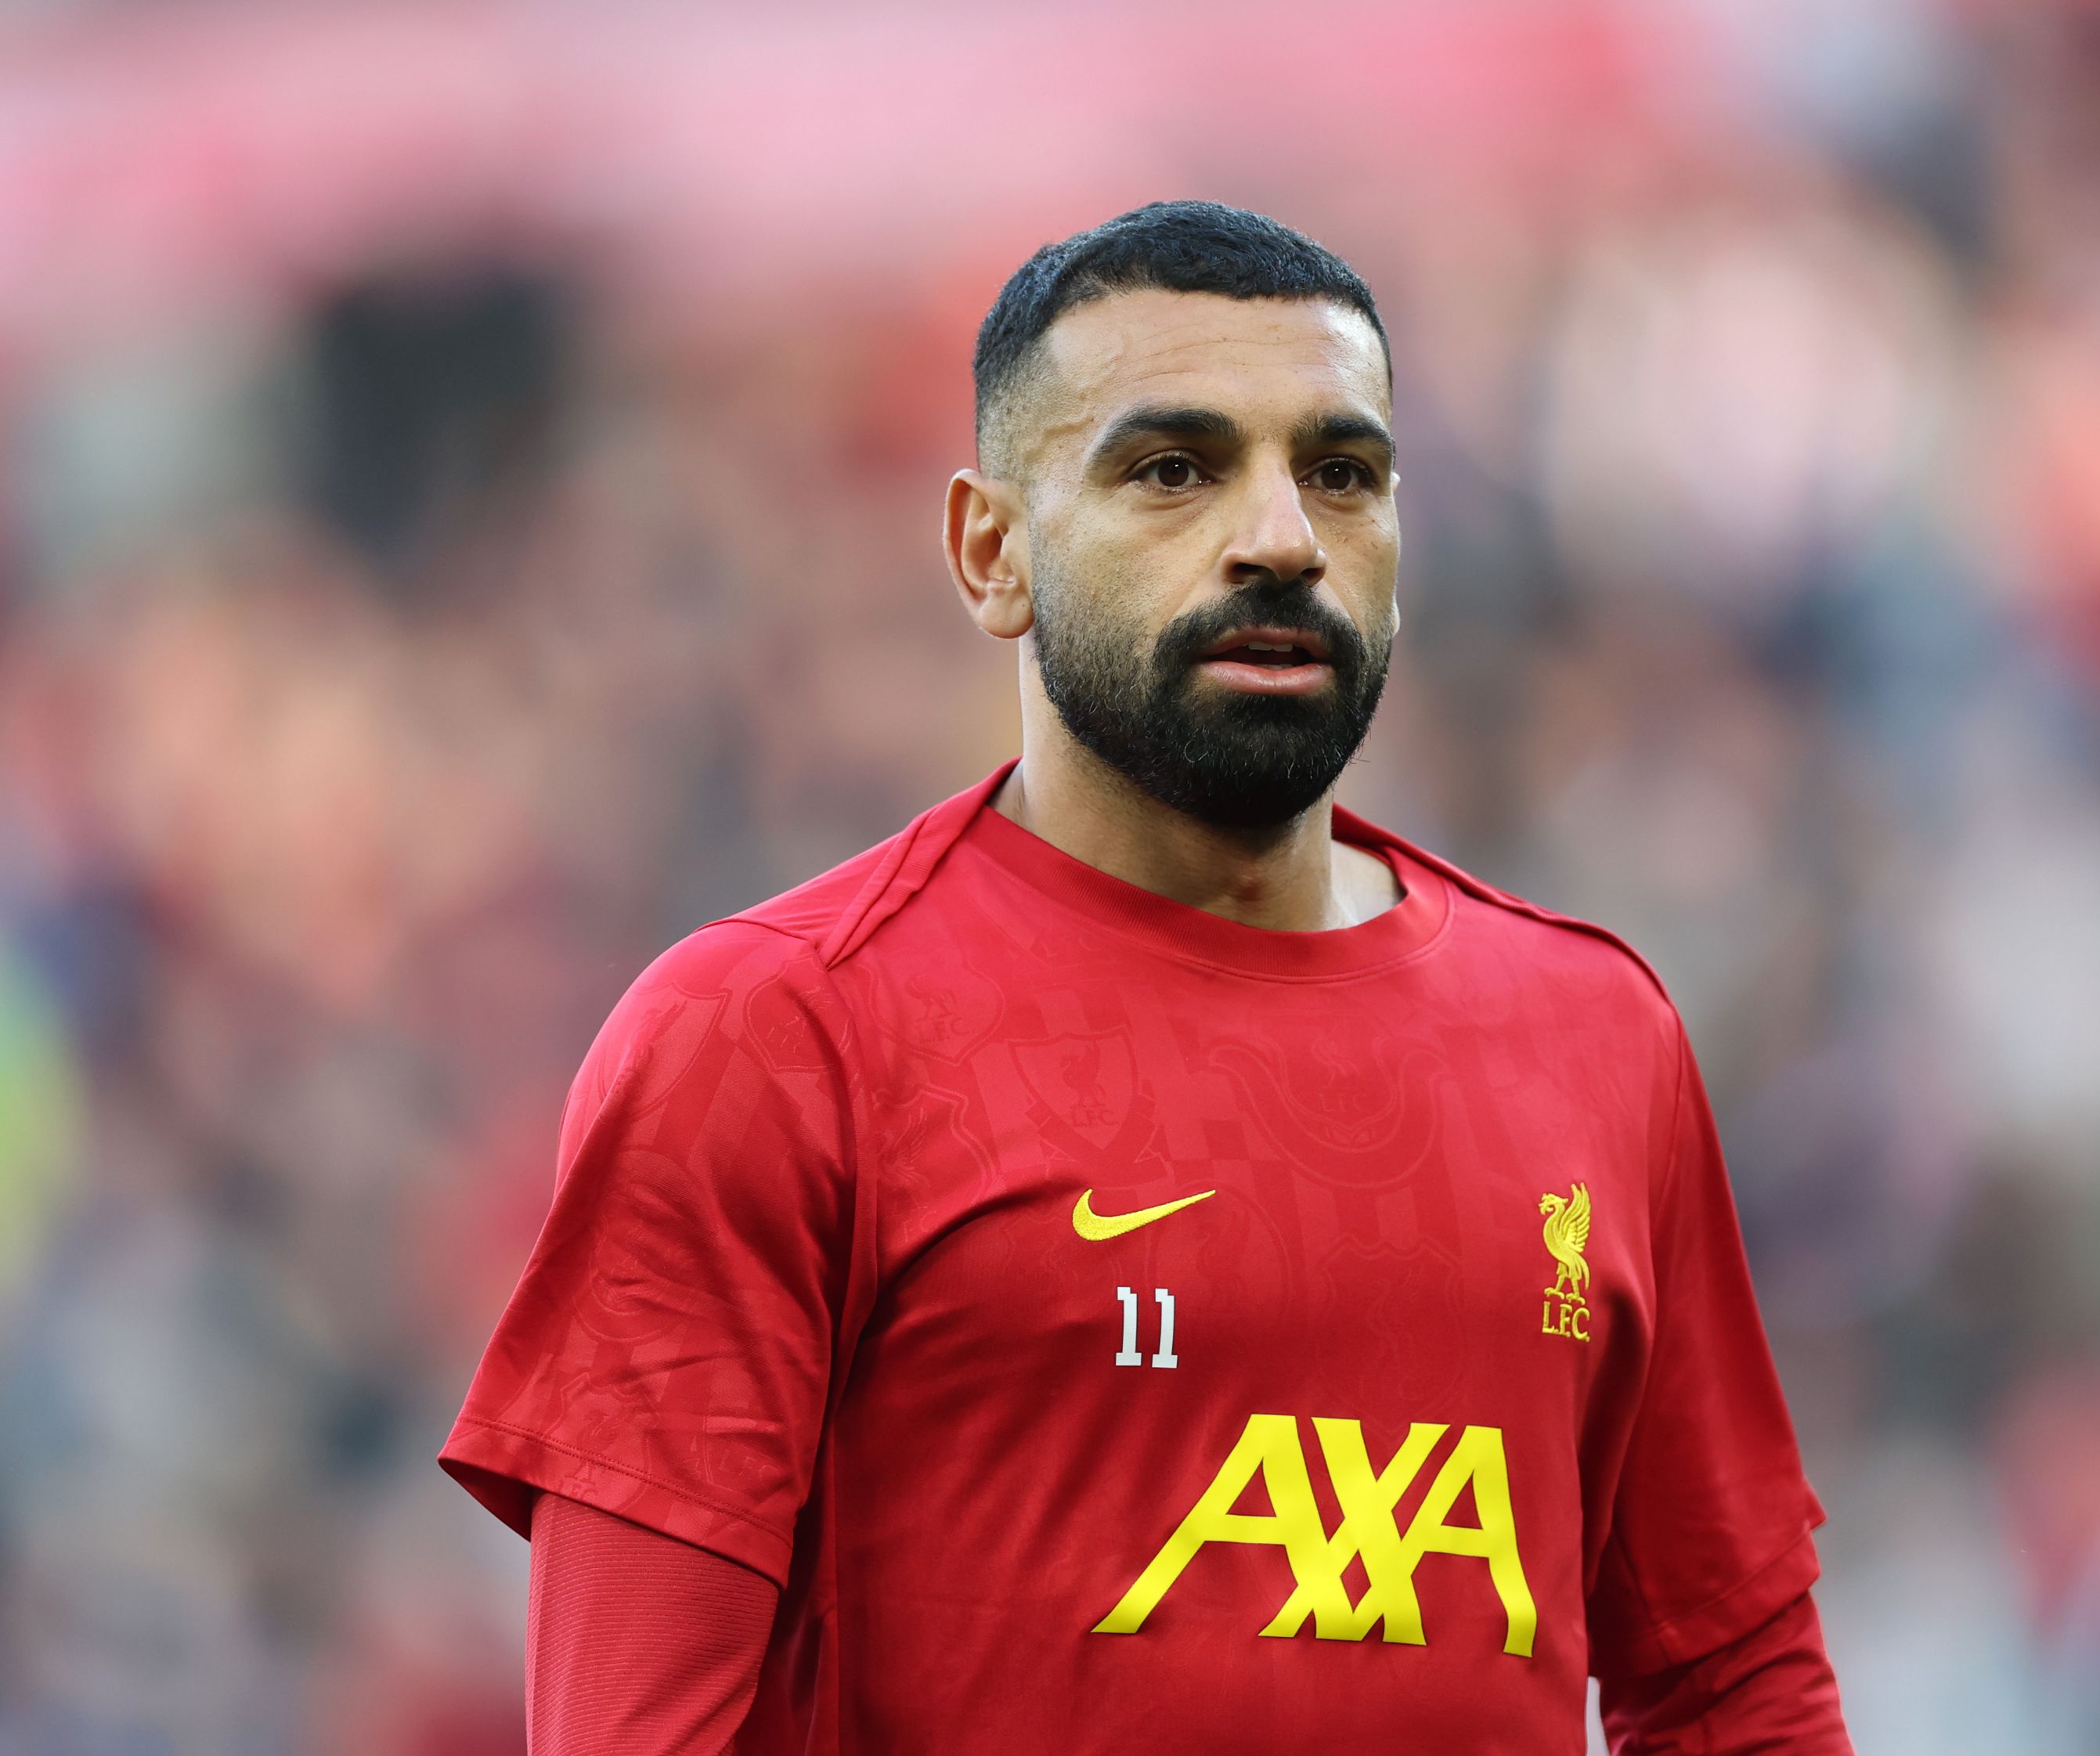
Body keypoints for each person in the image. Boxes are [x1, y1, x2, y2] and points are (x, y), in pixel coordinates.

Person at [441, 200, 1854, 1755]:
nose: (1280, 537)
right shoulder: (773, 1041)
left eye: (1342, 472)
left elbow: (1735, 1689)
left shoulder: (1593, 1036)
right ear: (993, 553)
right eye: (1170, 468)